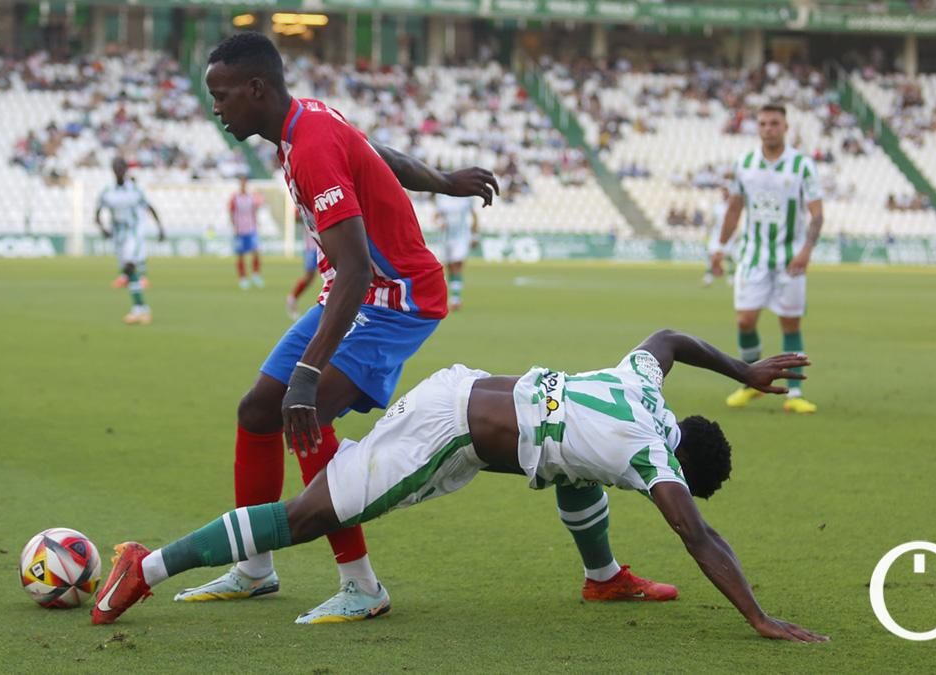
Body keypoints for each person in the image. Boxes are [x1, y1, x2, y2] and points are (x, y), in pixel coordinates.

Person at [91, 329, 828, 644]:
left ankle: (602, 577)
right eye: (686, 488)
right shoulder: (652, 461)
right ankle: (145, 565)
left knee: (571, 469)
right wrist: (758, 616)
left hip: (468, 391)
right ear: (686, 471)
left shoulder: (642, 386)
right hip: (442, 433)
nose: (680, 496)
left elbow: (668, 337)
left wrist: (743, 371)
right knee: (306, 515)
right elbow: (698, 534)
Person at [179, 32, 499, 623]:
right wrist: (445, 181)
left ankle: (362, 585)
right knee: (257, 411)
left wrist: (305, 376)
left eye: (222, 96)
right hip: (351, 290)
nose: (216, 109)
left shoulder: (312, 145)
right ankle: (254, 568)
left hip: (394, 299)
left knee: (306, 411)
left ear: (257, 88)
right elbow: (382, 157)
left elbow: (357, 270)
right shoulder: (308, 121)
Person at [711, 104, 823, 414]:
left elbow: (817, 214)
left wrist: (805, 251)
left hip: (790, 259)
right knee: (744, 320)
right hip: (753, 257)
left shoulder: (802, 166)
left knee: (790, 324)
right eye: (763, 123)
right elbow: (734, 208)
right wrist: (719, 247)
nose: (768, 128)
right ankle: (751, 382)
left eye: (775, 123)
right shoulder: (745, 164)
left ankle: (795, 393)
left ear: (786, 127)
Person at [95, 157, 165, 325]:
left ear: (126, 170)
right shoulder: (107, 191)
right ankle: (139, 308)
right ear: (113, 170)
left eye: (121, 167)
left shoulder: (135, 190)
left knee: (130, 266)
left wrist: (160, 227)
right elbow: (97, 212)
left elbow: (149, 207)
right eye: (116, 167)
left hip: (133, 234)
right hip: (118, 237)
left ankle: (141, 309)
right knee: (129, 272)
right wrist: (103, 228)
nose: (119, 170)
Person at [434, 192, 479, 311]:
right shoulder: (441, 197)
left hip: (462, 236)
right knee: (449, 268)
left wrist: (475, 235)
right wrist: (440, 223)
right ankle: (452, 297)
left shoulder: (466, 197)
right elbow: (436, 216)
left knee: (457, 265)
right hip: (446, 237)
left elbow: (474, 215)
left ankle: (456, 299)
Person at [230, 176, 264, 290]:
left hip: (251, 228)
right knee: (241, 255)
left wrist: (257, 222)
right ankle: (243, 278)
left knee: (256, 252)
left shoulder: (251, 197)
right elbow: (231, 212)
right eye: (242, 183)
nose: (243, 185)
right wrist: (234, 226)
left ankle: (255, 275)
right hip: (240, 230)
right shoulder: (235, 198)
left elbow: (257, 208)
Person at [703, 186, 737, 288]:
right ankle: (708, 277)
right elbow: (713, 220)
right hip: (716, 234)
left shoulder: (732, 206)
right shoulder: (717, 206)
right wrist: (708, 231)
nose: (724, 194)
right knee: (712, 255)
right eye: (723, 192)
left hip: (730, 234)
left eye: (726, 191)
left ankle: (731, 278)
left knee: (729, 256)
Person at [286, 228, 320, 321]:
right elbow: (298, 216)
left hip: (326, 244)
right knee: (309, 276)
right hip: (312, 247)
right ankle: (292, 298)